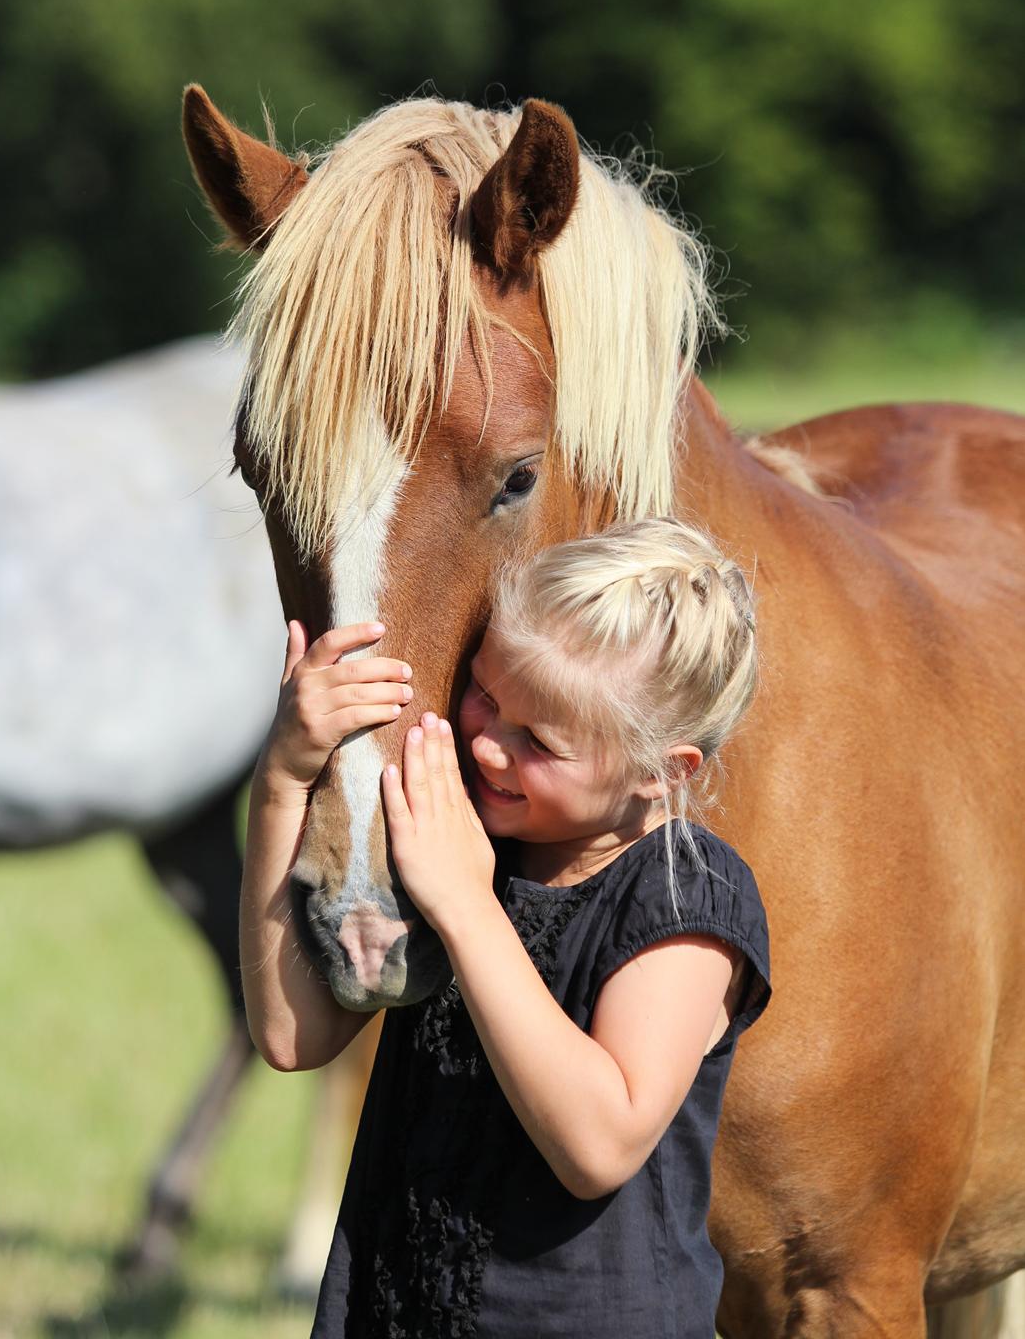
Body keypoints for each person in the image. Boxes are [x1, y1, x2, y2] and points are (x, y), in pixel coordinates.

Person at [240, 517, 771, 1339]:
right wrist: (282, 780)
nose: (487, 746)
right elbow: (289, 1034)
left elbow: (600, 1146)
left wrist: (464, 905)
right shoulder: (465, 840)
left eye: (540, 741)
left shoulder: (683, 896)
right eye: (486, 694)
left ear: (663, 770)